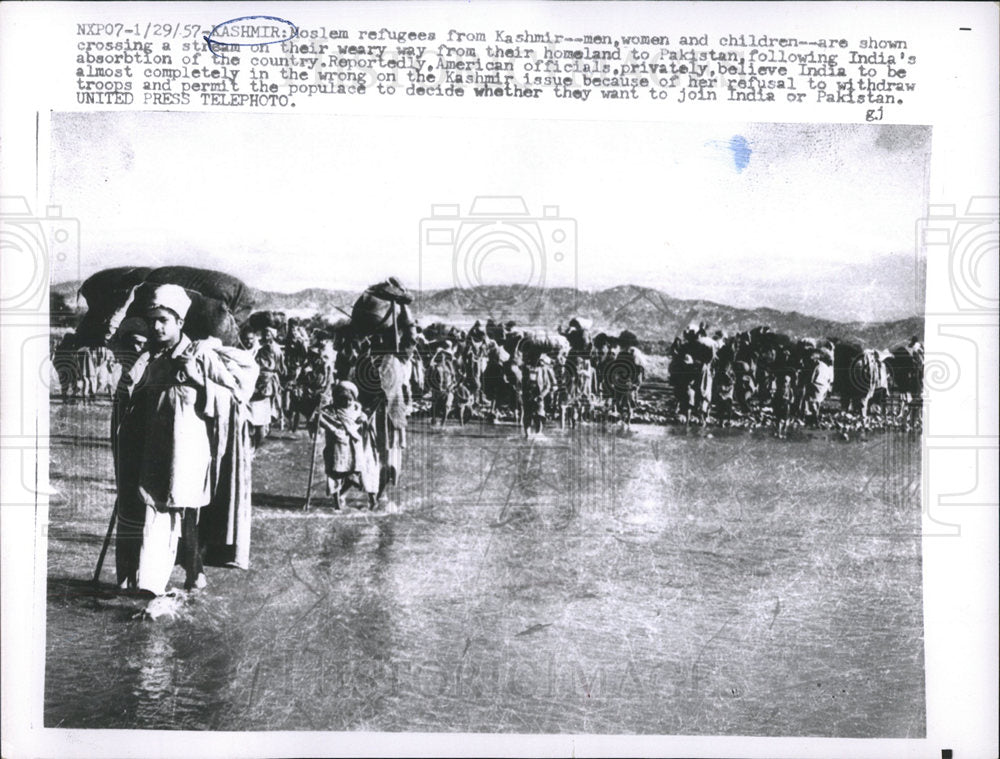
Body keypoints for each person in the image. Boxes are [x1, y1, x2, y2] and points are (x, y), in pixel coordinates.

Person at [114, 285, 217, 595]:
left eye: (163, 320)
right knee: (150, 508)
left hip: (185, 449)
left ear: (179, 323)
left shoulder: (200, 354)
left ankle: (170, 580)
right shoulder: (148, 356)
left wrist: (197, 379)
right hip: (150, 445)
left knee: (179, 511)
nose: (156, 327)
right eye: (152, 320)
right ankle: (144, 580)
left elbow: (235, 397)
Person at [317, 381, 379, 510]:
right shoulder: (329, 411)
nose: (346, 403)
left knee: (358, 472)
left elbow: (364, 421)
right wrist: (319, 416)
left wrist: (364, 419)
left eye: (349, 400)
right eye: (342, 400)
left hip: (355, 446)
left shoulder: (357, 409)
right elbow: (320, 420)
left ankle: (372, 501)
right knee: (336, 475)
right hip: (337, 448)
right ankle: (337, 504)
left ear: (353, 398)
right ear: (336, 399)